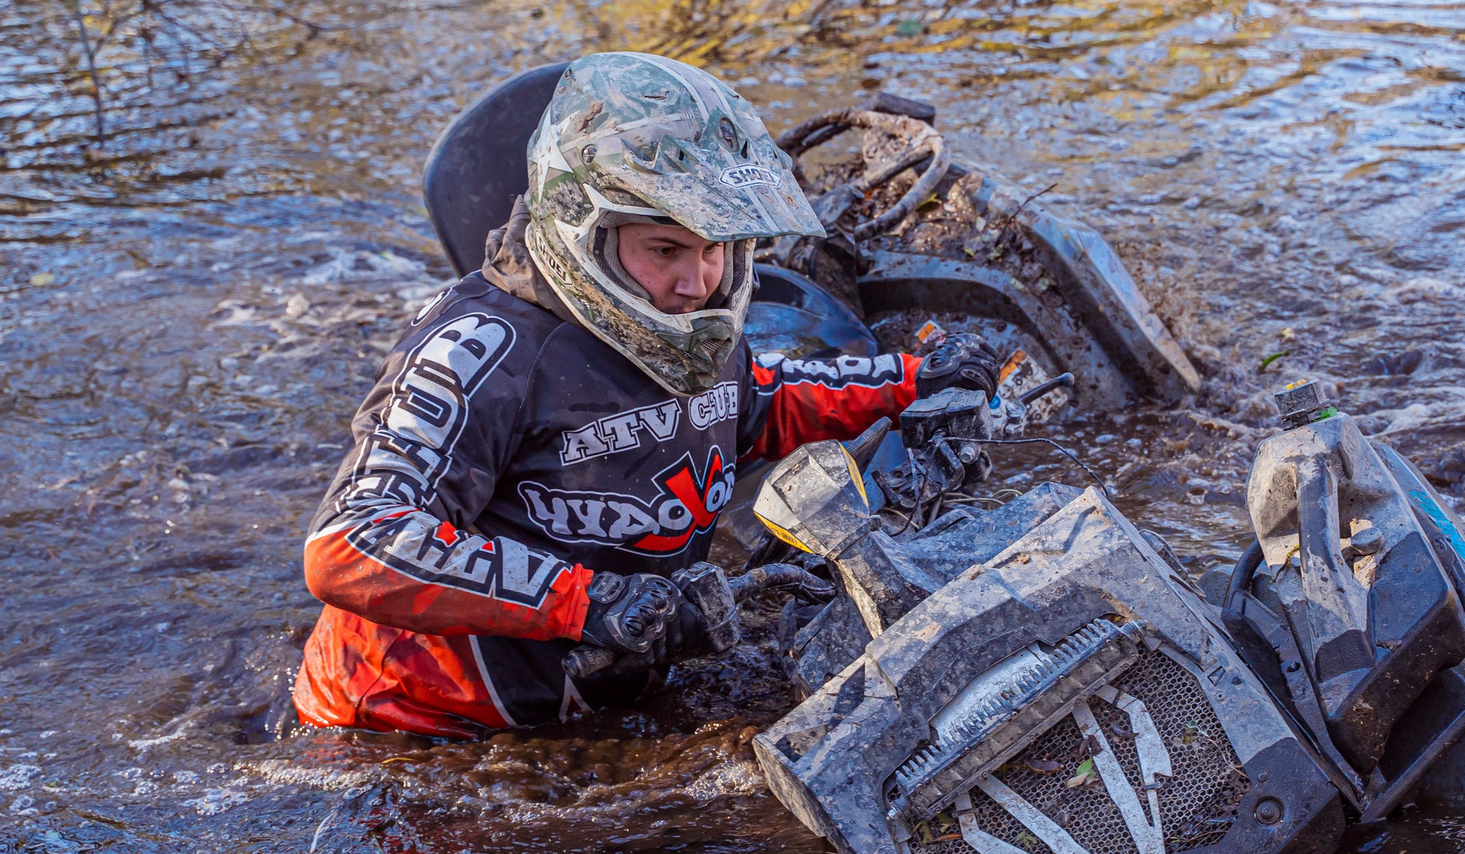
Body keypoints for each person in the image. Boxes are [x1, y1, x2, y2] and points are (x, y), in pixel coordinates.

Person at [291, 51, 1002, 738]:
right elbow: (351, 539)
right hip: (404, 732)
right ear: (586, 231)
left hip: (587, 695)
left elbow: (754, 405)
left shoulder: (692, 317)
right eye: (666, 250)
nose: (697, 283)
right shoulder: (483, 348)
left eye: (714, 248)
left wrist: (913, 380)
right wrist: (588, 600)